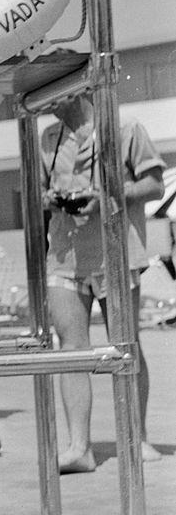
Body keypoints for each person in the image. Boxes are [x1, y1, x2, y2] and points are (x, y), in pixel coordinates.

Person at [41, 92, 164, 472]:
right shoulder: (49, 138)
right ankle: (79, 447)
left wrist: (110, 193)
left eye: (54, 92)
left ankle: (136, 437)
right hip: (65, 254)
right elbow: (43, 189)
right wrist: (53, 198)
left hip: (117, 253)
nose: (47, 100)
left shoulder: (126, 130)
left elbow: (155, 186)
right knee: (71, 349)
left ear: (78, 90)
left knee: (125, 345)